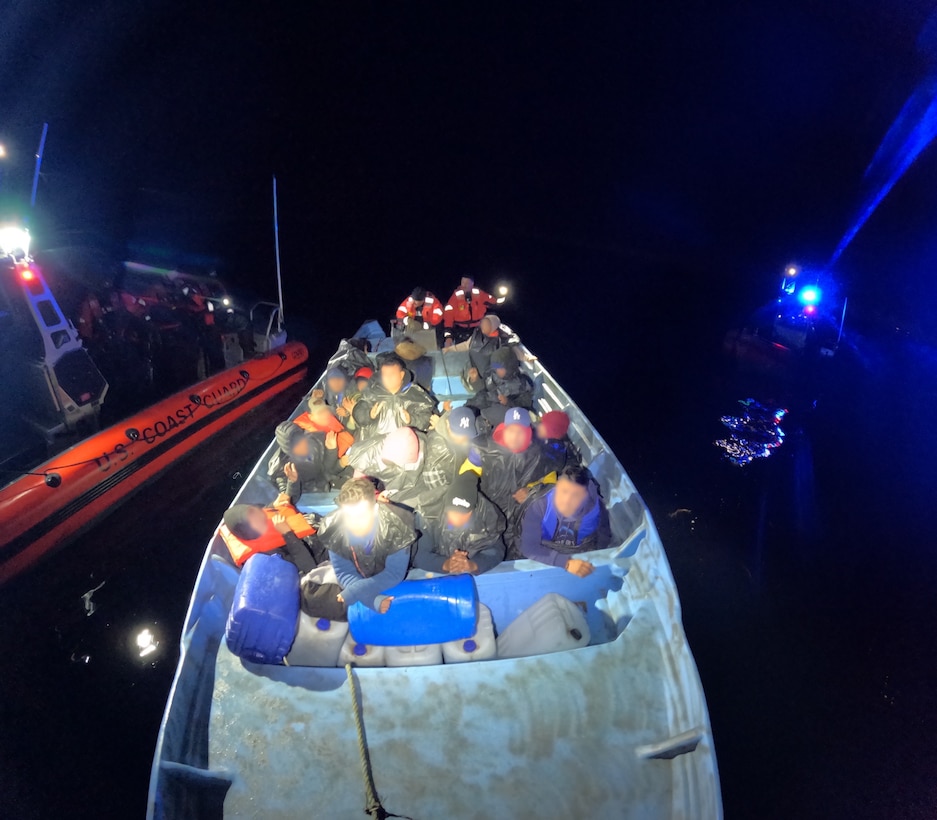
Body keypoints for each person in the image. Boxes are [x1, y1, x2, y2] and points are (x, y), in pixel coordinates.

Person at [315, 477, 417, 613]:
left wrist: (353, 592)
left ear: (375, 508)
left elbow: (394, 574)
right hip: (360, 580)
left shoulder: (398, 525)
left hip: (398, 574)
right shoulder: (332, 528)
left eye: (361, 515)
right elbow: (344, 572)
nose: (354, 522)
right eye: (348, 515)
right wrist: (372, 600)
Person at [517, 465, 612, 576]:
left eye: (576, 495)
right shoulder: (539, 506)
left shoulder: (597, 509)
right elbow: (528, 547)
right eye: (564, 491)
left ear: (586, 496)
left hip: (580, 553)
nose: (567, 501)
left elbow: (603, 538)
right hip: (543, 551)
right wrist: (566, 563)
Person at [413, 473, 506, 575]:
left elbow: (496, 551)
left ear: (473, 509)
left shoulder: (487, 516)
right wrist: (446, 564)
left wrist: (473, 565)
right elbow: (418, 555)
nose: (458, 518)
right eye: (453, 512)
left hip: (471, 571)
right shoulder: (428, 515)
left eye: (463, 513)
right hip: (436, 573)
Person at [473, 406, 557, 519]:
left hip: (514, 515)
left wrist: (530, 490)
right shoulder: (483, 449)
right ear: (504, 429)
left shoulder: (537, 455)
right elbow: (465, 478)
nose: (515, 436)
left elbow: (550, 481)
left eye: (520, 432)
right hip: (482, 511)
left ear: (528, 433)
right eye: (511, 430)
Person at [345, 426, 450, 512]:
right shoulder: (371, 452)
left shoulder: (425, 462)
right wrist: (375, 496)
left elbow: (401, 490)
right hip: (386, 487)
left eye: (391, 463)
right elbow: (359, 479)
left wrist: (386, 496)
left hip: (408, 493)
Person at [221, 503, 326, 572]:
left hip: (322, 529)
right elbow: (309, 569)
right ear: (247, 530)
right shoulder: (267, 556)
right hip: (323, 556)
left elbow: (284, 502)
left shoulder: (265, 514)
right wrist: (287, 534)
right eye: (252, 519)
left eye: (253, 510)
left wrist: (292, 483)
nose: (258, 514)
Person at [355, 352, 437, 437]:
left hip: (407, 444)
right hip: (375, 444)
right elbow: (358, 412)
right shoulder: (373, 392)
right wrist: (369, 414)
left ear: (401, 375)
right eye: (385, 375)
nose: (388, 378)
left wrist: (411, 419)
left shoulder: (415, 393)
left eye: (392, 374)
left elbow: (427, 417)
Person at [466, 346, 534, 422]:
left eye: (501, 368)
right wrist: (476, 380)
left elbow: (525, 408)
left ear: (510, 367)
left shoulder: (522, 384)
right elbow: (483, 391)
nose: (497, 370)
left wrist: (508, 402)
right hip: (484, 409)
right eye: (496, 367)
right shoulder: (491, 373)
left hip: (503, 416)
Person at [443, 276, 503, 343]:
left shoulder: (479, 294)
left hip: (477, 329)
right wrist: (448, 334)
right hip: (460, 331)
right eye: (463, 282)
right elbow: (448, 315)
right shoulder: (455, 297)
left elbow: (493, 301)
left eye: (467, 283)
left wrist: (501, 297)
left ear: (472, 284)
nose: (464, 285)